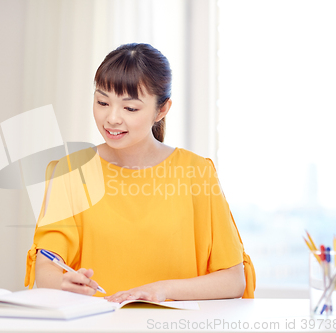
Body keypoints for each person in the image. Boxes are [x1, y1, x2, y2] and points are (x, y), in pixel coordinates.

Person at [25, 43, 255, 303]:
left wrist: (161, 291)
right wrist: (62, 282)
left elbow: (233, 280)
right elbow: (46, 270)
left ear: (162, 110)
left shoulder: (196, 172)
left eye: (130, 108)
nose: (111, 118)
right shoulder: (70, 172)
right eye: (102, 102)